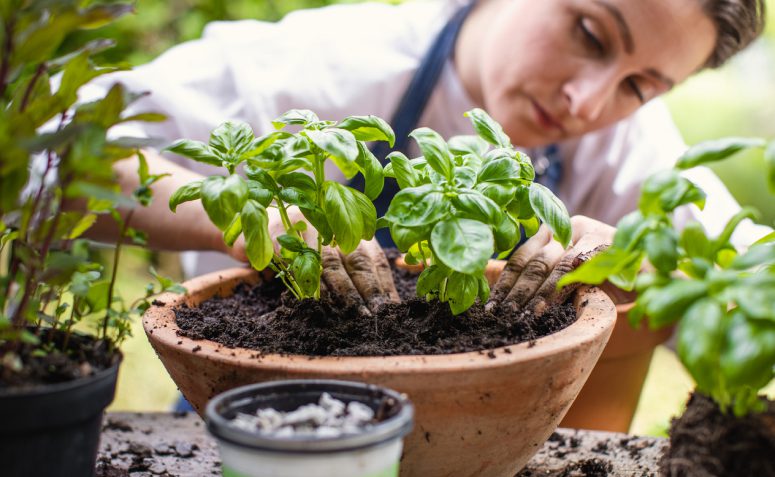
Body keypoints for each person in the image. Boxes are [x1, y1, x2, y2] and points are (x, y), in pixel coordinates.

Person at [82, 0, 769, 426]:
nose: (586, 103)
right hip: (266, 434)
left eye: (639, 85)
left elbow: (747, 282)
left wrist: (641, 258)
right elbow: (47, 149)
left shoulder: (627, 143)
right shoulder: (323, 68)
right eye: (589, 33)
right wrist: (238, 220)